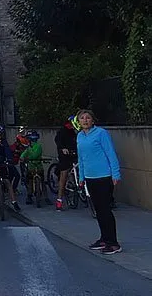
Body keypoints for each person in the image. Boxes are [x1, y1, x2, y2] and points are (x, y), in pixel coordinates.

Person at [76, 109, 122, 255]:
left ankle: (113, 242)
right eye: (82, 118)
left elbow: (110, 153)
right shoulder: (80, 137)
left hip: (103, 176)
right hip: (90, 177)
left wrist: (115, 173)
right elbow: (81, 158)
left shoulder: (101, 133)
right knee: (98, 210)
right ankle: (104, 238)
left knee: (105, 209)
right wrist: (81, 177)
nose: (85, 120)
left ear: (93, 120)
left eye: (88, 118)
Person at [55, 115, 79, 211]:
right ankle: (59, 200)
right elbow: (57, 140)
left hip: (75, 153)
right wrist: (62, 148)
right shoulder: (63, 130)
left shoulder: (77, 131)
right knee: (64, 175)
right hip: (65, 154)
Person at [20, 130, 51, 206]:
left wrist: (24, 158)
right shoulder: (32, 146)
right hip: (35, 166)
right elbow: (25, 153)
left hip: (34, 166)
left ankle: (30, 196)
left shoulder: (35, 146)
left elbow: (33, 155)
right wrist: (22, 157)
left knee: (32, 180)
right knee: (39, 181)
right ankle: (45, 197)